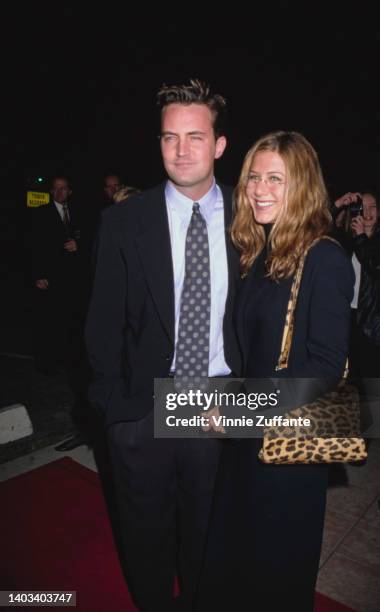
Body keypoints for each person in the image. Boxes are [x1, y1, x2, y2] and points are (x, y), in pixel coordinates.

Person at [85, 79, 241, 612]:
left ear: (219, 144)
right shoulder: (123, 221)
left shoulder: (253, 220)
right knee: (146, 535)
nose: (180, 150)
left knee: (210, 535)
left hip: (219, 405)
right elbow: (101, 324)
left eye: (195, 136)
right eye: (169, 137)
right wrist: (115, 415)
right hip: (145, 409)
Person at [197, 131, 354, 612]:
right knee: (239, 552)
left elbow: (325, 366)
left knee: (274, 565)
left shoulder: (323, 256)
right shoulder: (260, 250)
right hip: (249, 436)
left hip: (289, 440)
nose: (260, 189)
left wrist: (240, 411)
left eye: (276, 179)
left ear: (302, 185)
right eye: (253, 177)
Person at [332, 190, 380, 377]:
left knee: (371, 379)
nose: (368, 213)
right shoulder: (346, 240)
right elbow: (317, 229)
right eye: (363, 207)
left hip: (372, 321)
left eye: (373, 207)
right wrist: (338, 205)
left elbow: (378, 266)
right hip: (346, 317)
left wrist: (361, 237)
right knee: (348, 377)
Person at [32, 175, 82, 374]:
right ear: (51, 191)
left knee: (69, 321)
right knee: (49, 322)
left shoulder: (77, 212)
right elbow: (33, 246)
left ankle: (66, 360)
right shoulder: (40, 214)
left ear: (70, 191)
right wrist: (38, 275)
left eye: (64, 188)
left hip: (72, 279)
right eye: (57, 189)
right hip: (50, 278)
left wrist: (79, 245)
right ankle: (46, 364)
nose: (61, 192)